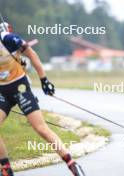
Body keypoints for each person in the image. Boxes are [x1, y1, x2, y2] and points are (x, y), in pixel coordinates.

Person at [0, 22, 84, 176]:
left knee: (41, 128)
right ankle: (6, 170)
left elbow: (31, 54)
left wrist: (44, 80)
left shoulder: (9, 39)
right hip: (2, 91)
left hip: (20, 87)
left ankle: (72, 164)